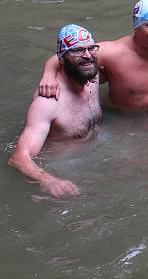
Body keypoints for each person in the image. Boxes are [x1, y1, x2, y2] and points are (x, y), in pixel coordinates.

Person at [39, 0, 148, 111]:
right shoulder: (114, 52)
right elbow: (65, 55)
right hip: (123, 121)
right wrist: (48, 75)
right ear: (136, 27)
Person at [9, 25, 103, 198]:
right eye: (77, 51)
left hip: (97, 159)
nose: (88, 56)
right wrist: (48, 180)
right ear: (61, 59)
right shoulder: (48, 102)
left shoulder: (93, 76)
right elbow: (18, 158)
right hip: (63, 171)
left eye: (91, 48)